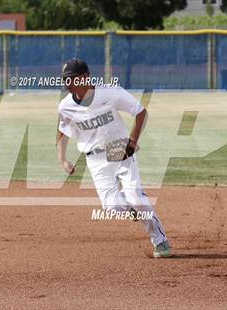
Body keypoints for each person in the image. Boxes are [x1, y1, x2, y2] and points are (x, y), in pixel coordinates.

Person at [56, 58, 171, 258]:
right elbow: (63, 131)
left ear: (85, 78)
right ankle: (132, 207)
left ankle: (160, 240)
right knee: (112, 206)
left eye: (72, 78)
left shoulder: (110, 92)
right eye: (66, 79)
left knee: (137, 198)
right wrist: (63, 159)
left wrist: (133, 141)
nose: (68, 83)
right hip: (95, 158)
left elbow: (140, 112)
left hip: (120, 148)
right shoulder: (65, 106)